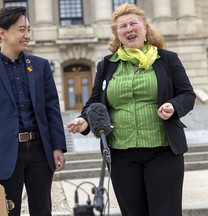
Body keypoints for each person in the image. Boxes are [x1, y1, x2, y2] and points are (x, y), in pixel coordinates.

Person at [67, 3, 196, 216]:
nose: (128, 29)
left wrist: (173, 105)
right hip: (120, 154)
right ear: (117, 35)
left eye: (133, 24)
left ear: (145, 29)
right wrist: (85, 120)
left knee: (166, 212)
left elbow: (187, 95)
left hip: (163, 150)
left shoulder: (167, 59)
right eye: (122, 26)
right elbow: (95, 102)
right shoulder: (107, 65)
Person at [0, 6, 66, 216]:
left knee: (42, 210)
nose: (27, 35)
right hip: (3, 153)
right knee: (8, 212)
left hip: (40, 150)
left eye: (29, 29)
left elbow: (52, 108)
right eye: (21, 30)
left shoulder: (40, 66)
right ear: (2, 33)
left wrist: (58, 146)